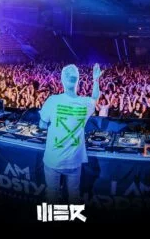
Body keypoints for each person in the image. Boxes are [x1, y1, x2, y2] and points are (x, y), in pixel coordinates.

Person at [39, 63, 101, 202]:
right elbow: (95, 98)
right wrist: (96, 79)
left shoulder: (53, 100)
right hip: (74, 160)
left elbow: (42, 125)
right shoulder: (85, 103)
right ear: (77, 80)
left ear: (62, 80)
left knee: (52, 194)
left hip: (53, 159)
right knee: (74, 194)